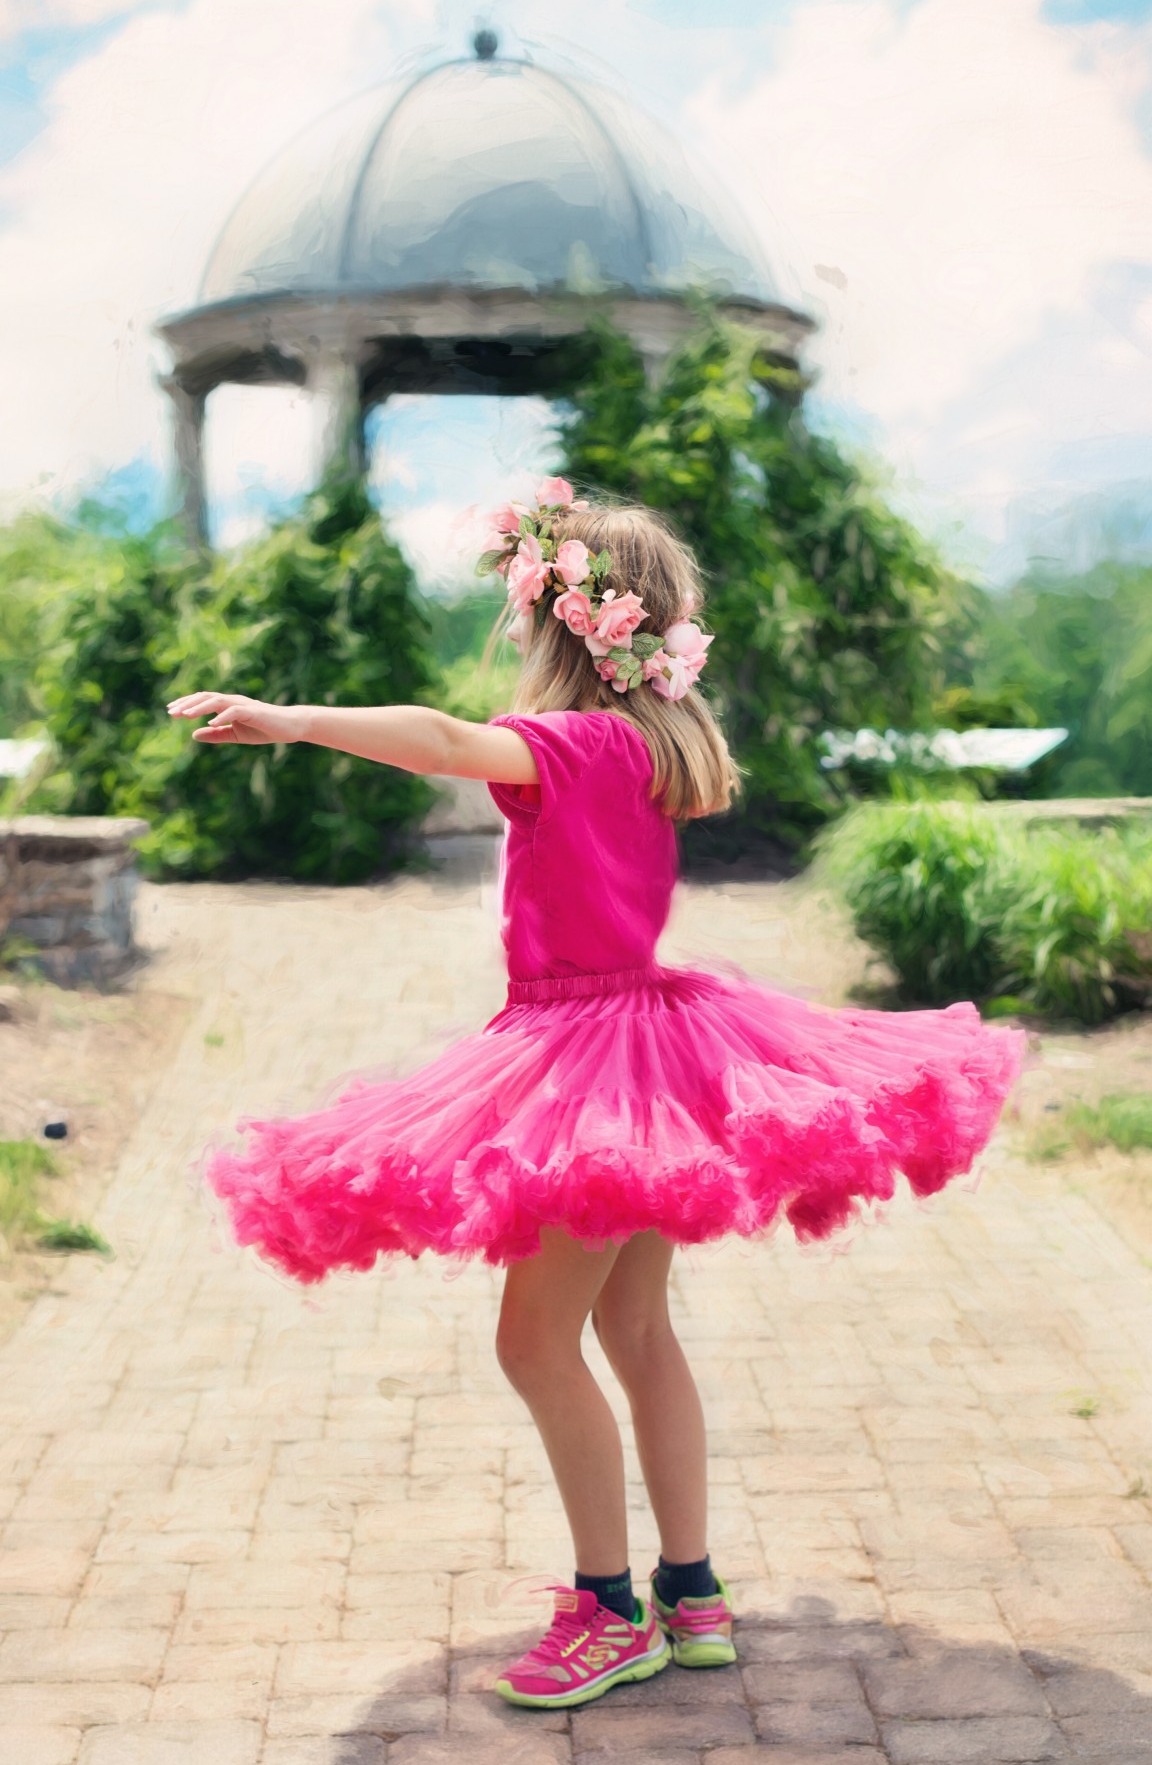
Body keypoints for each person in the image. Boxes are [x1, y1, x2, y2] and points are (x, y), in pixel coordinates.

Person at [167, 478, 1027, 1711]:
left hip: (589, 1068)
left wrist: (290, 717)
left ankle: (609, 1610)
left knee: (535, 1339)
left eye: (522, 616)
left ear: (559, 625)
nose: (512, 635)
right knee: (636, 1332)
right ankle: (695, 1592)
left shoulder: (567, 746)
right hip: (653, 1040)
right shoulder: (651, 746)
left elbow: (448, 740)